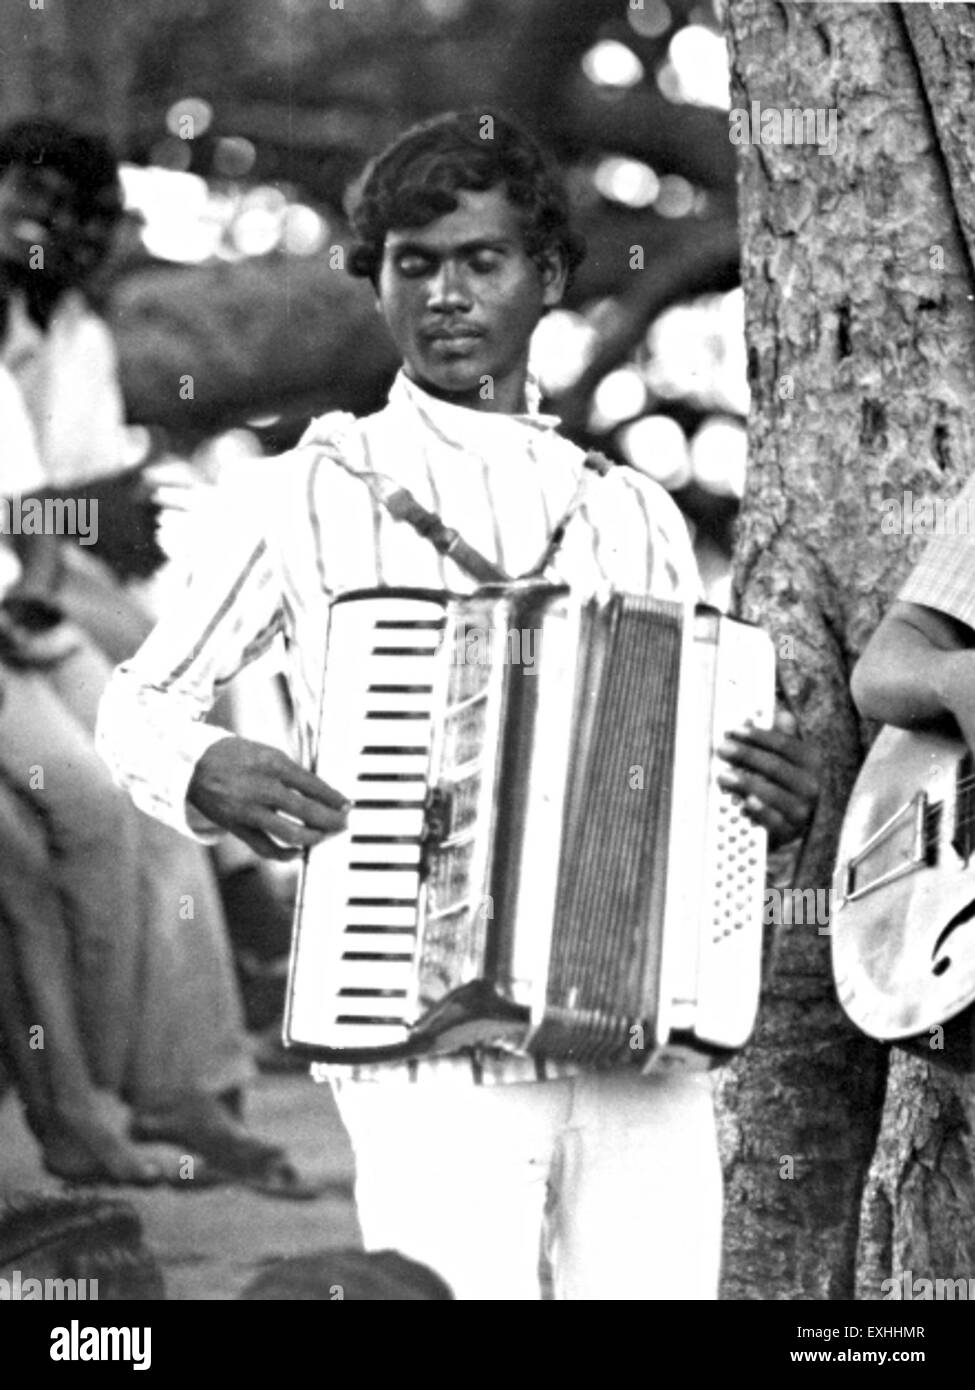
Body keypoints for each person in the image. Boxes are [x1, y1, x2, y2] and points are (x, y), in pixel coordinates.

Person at [98, 109, 819, 1296]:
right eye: (412, 264)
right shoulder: (304, 490)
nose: (444, 295)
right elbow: (136, 704)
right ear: (377, 280)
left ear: (548, 278)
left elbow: (680, 754)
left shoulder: (628, 508)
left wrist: (761, 800)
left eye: (481, 261)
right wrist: (204, 767)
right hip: (412, 1041)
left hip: (636, 1035)